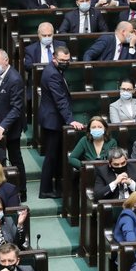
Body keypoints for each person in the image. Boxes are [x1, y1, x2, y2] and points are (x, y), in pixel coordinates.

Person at [38, 46, 85, 198]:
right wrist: (70, 120)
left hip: (54, 119)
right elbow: (60, 100)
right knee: (51, 157)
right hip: (52, 121)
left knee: (56, 156)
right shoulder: (52, 74)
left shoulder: (55, 70)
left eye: (67, 60)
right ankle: (45, 190)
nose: (65, 62)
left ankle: (56, 187)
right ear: (54, 58)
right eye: (62, 60)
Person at [0, 49, 26, 198]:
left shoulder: (14, 79)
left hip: (8, 127)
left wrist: (2, 127)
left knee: (15, 158)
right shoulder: (0, 74)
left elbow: (17, 108)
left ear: (6, 61)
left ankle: (21, 191)